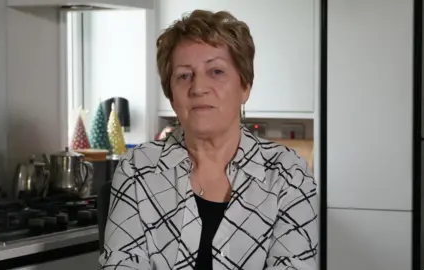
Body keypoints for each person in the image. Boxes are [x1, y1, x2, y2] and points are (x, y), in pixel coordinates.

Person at [99, 9, 318, 270]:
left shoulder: (288, 175)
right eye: (184, 75)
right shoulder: (137, 169)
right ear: (171, 95)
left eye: (216, 71)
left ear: (245, 86)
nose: (198, 87)